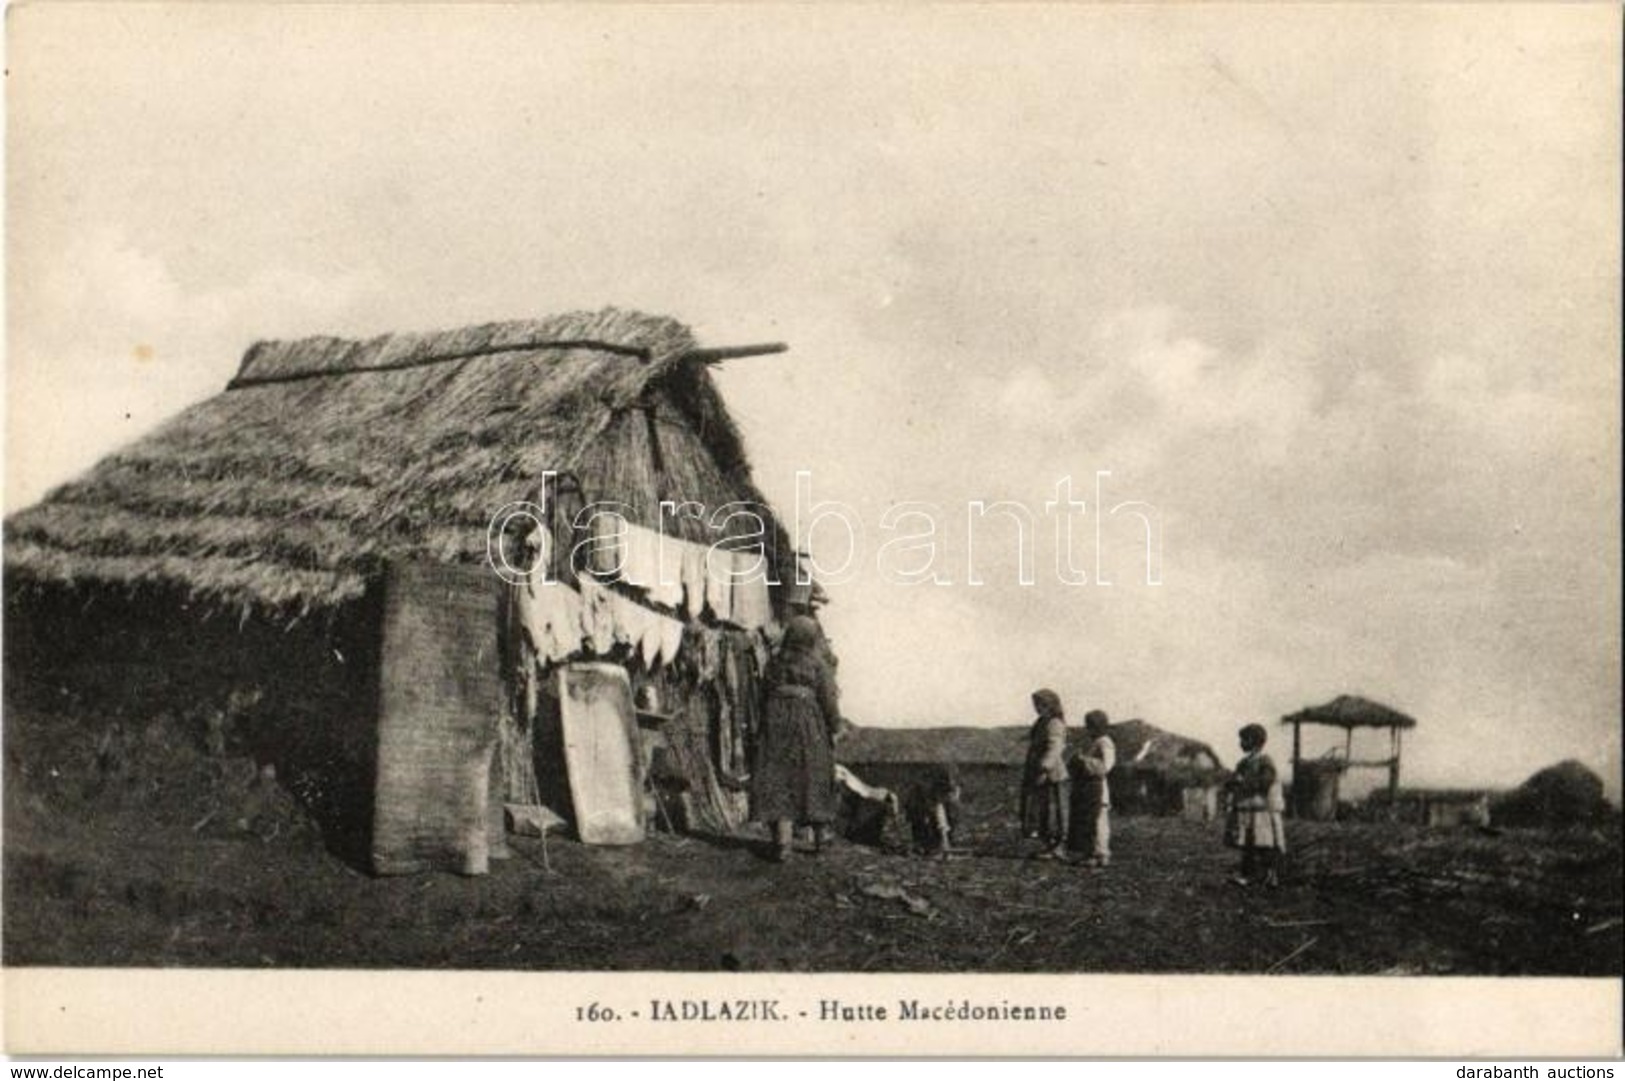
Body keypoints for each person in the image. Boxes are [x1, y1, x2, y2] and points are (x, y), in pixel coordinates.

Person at [752, 615, 841, 861]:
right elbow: (828, 699)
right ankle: (821, 840)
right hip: (807, 720)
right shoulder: (817, 664)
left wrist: (764, 723)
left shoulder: (774, 662)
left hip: (776, 720)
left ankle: (783, 843)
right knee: (815, 773)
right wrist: (835, 725)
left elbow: (762, 695)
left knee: (780, 777)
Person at [1223, 723, 1287, 887]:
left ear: (1254, 741)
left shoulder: (1265, 761)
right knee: (1249, 845)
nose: (1241, 743)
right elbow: (1232, 781)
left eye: (1244, 739)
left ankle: (1270, 875)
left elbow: (1265, 782)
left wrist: (1243, 782)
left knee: (1265, 844)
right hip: (1248, 809)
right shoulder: (1243, 763)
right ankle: (1248, 875)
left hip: (1262, 810)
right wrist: (1232, 782)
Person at [1022, 689, 1069, 859]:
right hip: (1039, 772)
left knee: (1055, 810)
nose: (1037, 708)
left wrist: (1044, 768)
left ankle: (1059, 846)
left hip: (1052, 774)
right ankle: (1049, 845)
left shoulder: (1054, 723)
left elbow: (1055, 748)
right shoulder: (1042, 722)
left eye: (1040, 704)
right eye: (1035, 705)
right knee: (1043, 811)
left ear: (1049, 705)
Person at [1070, 709, 1116, 867]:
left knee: (1098, 823)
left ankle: (1101, 854)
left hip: (1098, 789)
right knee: (1091, 822)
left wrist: (1083, 760)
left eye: (1090, 725)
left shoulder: (1104, 742)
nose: (1087, 729)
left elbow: (1106, 766)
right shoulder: (1096, 742)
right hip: (1089, 789)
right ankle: (1092, 853)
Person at [904, 764, 963, 857]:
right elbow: (938, 812)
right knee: (921, 820)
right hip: (919, 803)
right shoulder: (924, 791)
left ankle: (941, 843)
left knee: (951, 815)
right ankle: (924, 845)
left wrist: (946, 840)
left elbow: (943, 814)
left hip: (938, 796)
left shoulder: (952, 791)